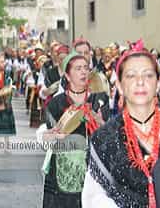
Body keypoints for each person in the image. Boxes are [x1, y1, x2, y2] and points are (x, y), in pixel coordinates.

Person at [82, 40, 160, 208]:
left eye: (148, 74)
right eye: (131, 75)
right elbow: (93, 195)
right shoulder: (104, 139)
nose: (140, 81)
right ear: (120, 86)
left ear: (158, 83)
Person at [42, 52, 110, 208]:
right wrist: (55, 134)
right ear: (67, 75)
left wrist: (94, 116)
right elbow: (51, 134)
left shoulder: (99, 99)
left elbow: (106, 130)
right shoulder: (56, 103)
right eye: (78, 68)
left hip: (93, 163)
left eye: (86, 68)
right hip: (65, 165)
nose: (84, 72)